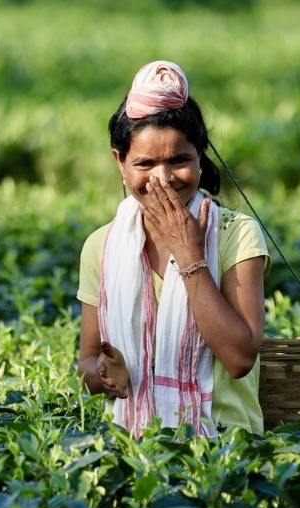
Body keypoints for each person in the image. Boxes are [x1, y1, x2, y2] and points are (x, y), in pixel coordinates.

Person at [76, 60, 270, 437]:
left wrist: (190, 256)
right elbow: (86, 365)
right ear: (120, 163)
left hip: (225, 445)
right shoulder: (102, 246)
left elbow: (239, 357)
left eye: (179, 160)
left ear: (201, 156)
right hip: (135, 447)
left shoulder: (237, 235)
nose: (162, 179)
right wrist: (105, 374)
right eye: (145, 163)